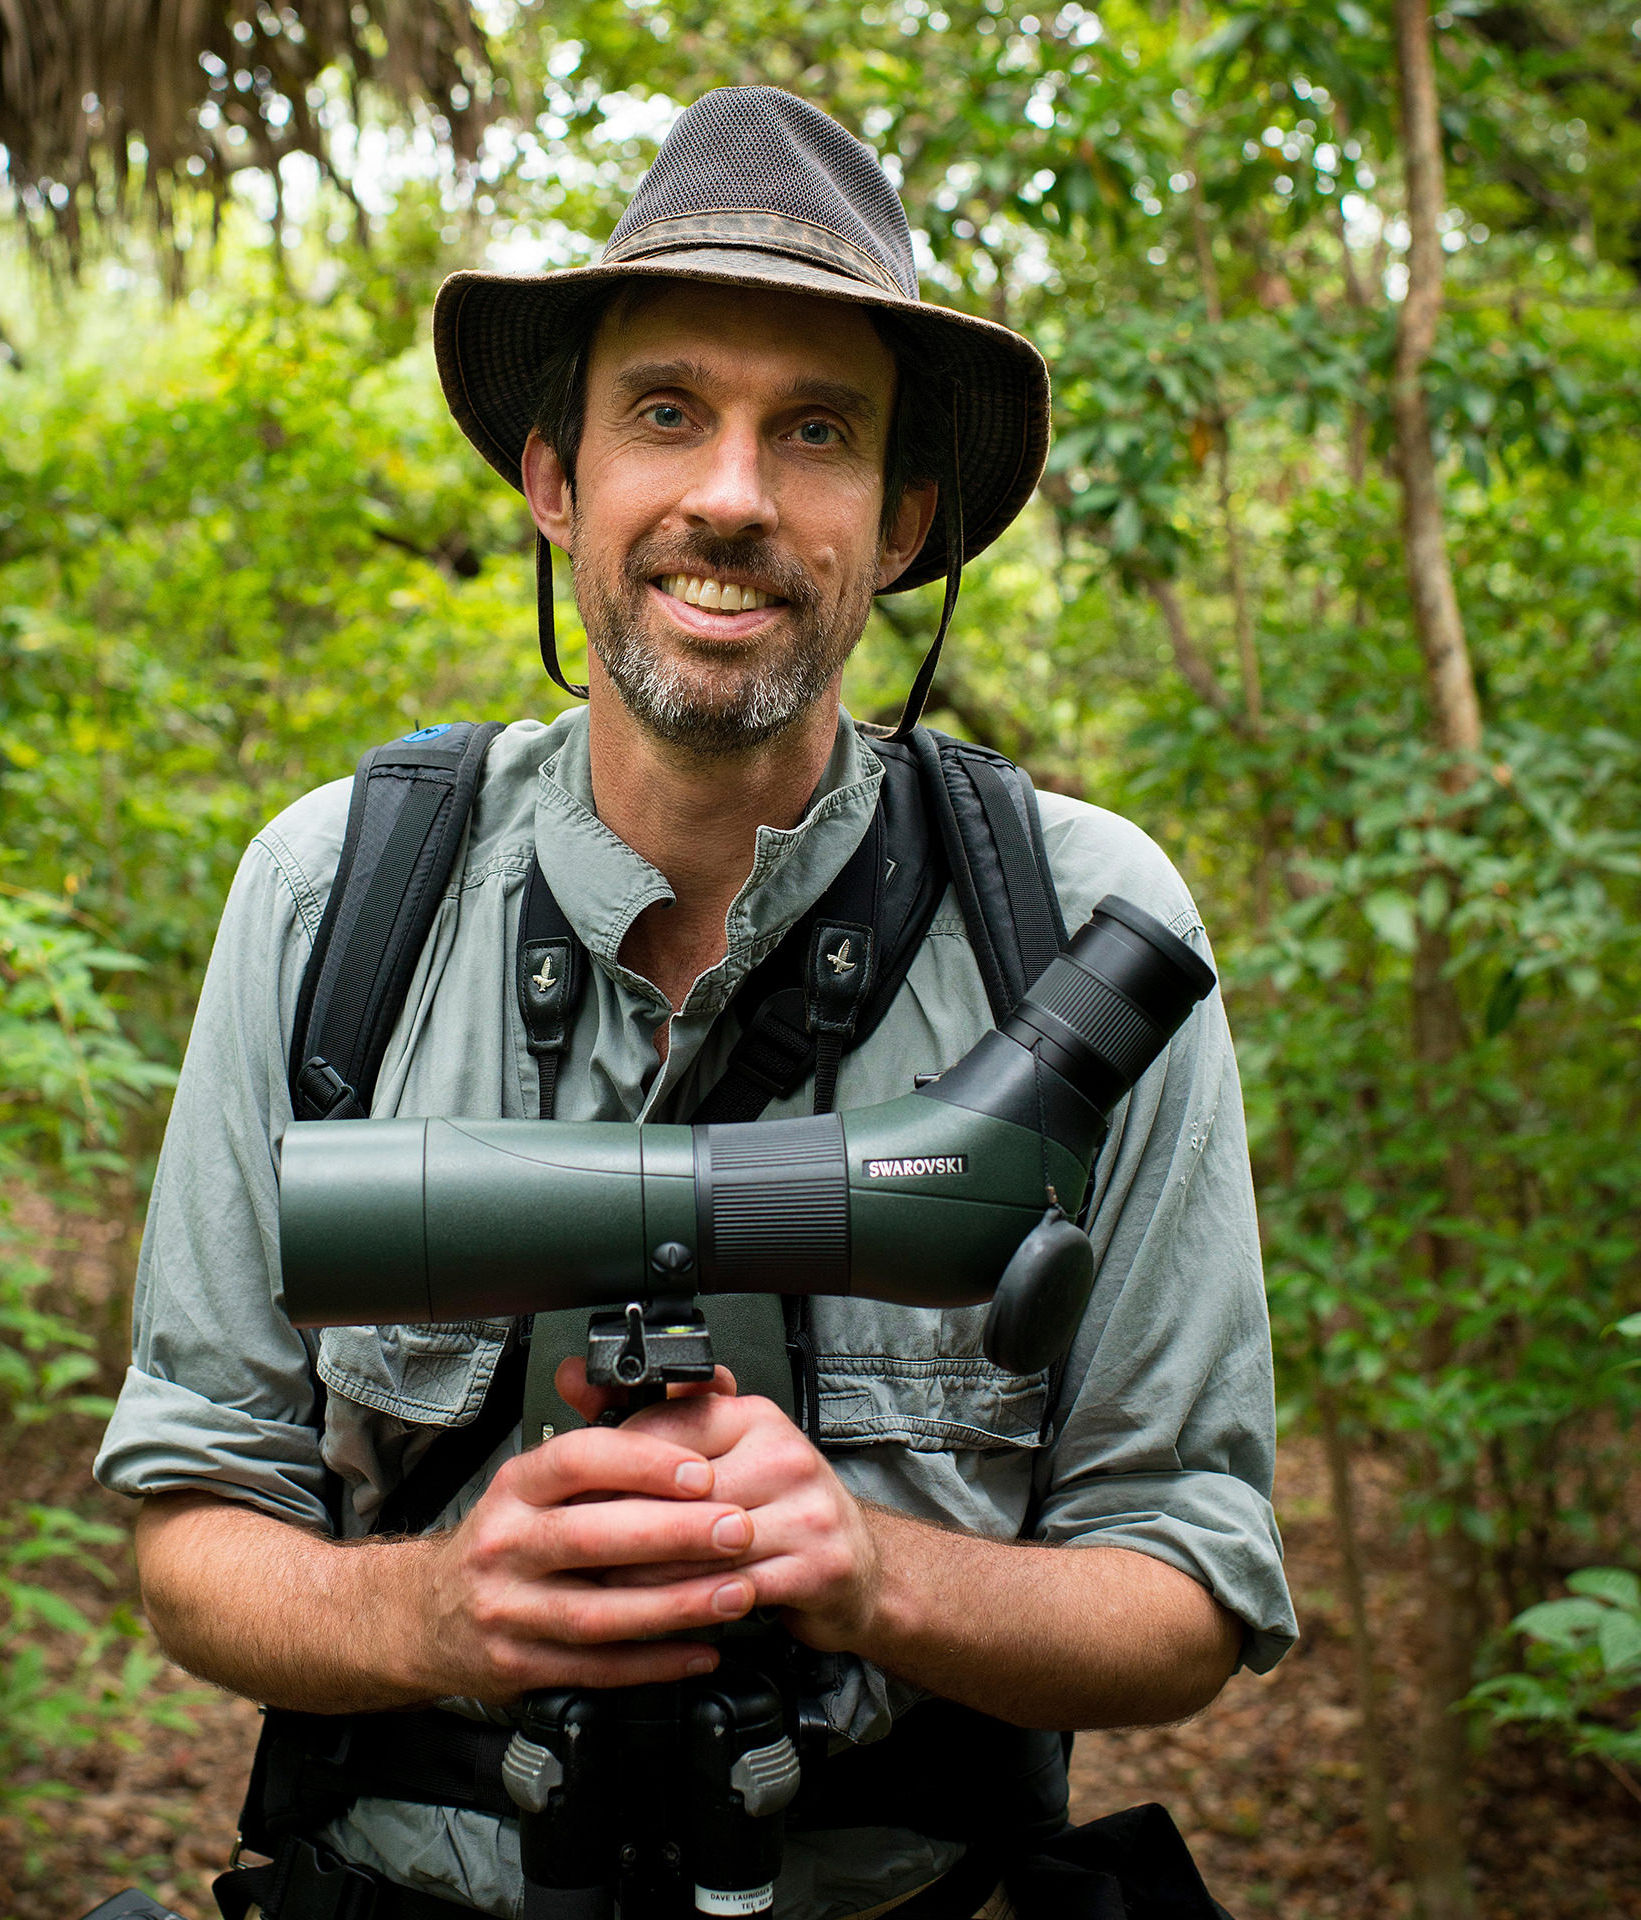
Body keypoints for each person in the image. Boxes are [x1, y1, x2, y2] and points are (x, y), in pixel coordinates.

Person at [95, 86, 1296, 1920]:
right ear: (555, 477)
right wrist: (426, 1608)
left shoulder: (1080, 921)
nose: (730, 496)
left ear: (901, 524)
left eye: (811, 431)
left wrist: (870, 1576)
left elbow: (1192, 1593)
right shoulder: (335, 896)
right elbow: (194, 1537)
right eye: (668, 411)